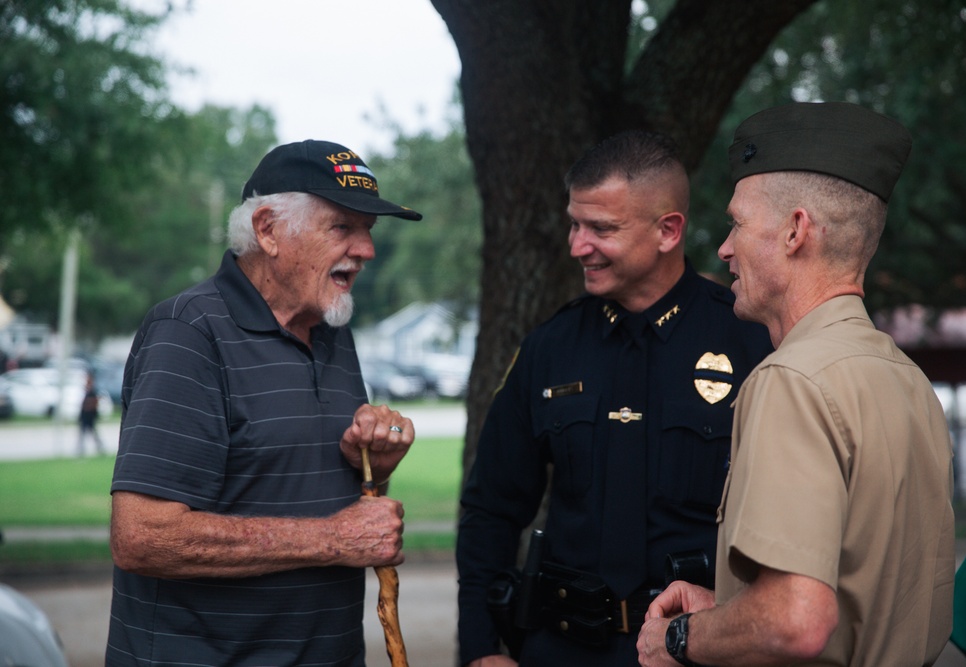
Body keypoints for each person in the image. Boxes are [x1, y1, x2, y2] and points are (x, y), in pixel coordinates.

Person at [637, 102, 955, 667]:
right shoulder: (908, 381)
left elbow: (797, 622)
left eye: (737, 223)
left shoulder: (791, 380)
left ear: (795, 231)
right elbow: (858, 606)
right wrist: (730, 612)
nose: (724, 249)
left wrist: (679, 639)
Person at [457, 130, 773, 667]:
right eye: (575, 224)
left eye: (601, 228)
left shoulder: (749, 341)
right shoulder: (549, 348)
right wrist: (482, 647)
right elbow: (491, 509)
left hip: (695, 651)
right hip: (560, 649)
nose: (577, 245)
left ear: (668, 230)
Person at [105, 140, 422, 666]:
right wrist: (333, 540)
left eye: (369, 231)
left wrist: (374, 469)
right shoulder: (188, 332)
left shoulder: (331, 330)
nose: (366, 250)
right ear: (268, 231)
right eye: (343, 227)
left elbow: (314, 498)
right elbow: (142, 537)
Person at [77, 372, 105, 455]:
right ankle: (81, 450)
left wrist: (89, 406)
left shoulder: (93, 391)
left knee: (93, 433)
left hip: (90, 415)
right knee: (83, 434)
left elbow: (95, 402)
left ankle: (100, 448)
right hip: (84, 416)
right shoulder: (86, 390)